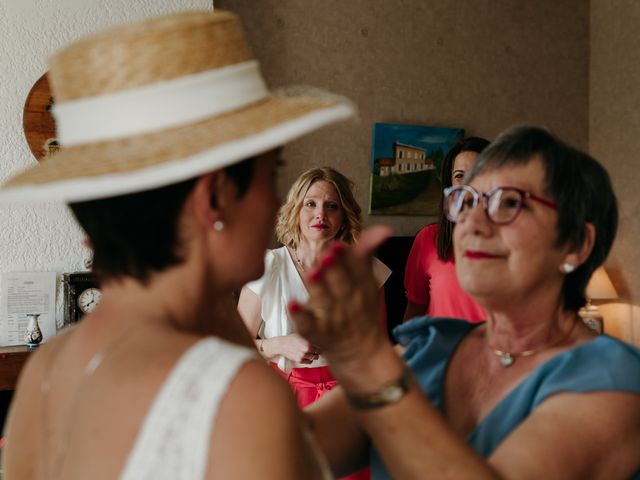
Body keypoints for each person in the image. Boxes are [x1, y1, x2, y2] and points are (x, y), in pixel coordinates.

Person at [0, 10, 355, 479]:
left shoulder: (50, 368)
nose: (275, 200)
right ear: (213, 198)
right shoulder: (239, 392)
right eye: (272, 173)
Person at [290, 126, 640, 479]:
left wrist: (372, 368)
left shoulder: (615, 380)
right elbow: (284, 455)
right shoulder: (427, 349)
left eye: (508, 202)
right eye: (467, 200)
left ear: (576, 244)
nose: (472, 221)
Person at [238, 166, 390, 408]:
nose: (321, 214)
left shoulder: (367, 270)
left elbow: (379, 345)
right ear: (295, 210)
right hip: (281, 395)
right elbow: (236, 347)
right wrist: (279, 344)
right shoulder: (266, 267)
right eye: (310, 204)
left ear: (343, 217)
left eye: (332, 206)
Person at [403, 136, 489, 322]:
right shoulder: (427, 239)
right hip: (439, 350)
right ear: (450, 185)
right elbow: (414, 311)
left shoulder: (512, 239)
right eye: (460, 176)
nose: (468, 185)